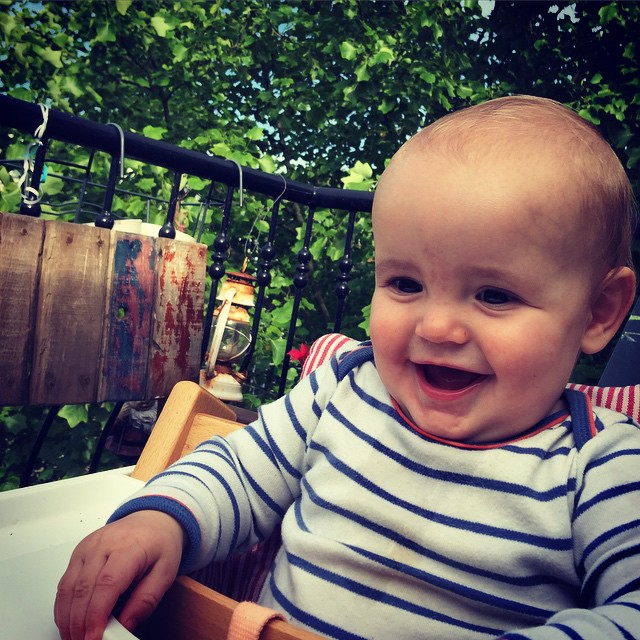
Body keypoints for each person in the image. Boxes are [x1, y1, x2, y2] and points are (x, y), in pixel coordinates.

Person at [55, 95, 639, 640]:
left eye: (494, 295)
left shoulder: (601, 464)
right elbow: (239, 472)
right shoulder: (347, 387)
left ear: (598, 312)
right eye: (405, 283)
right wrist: (160, 522)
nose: (437, 328)